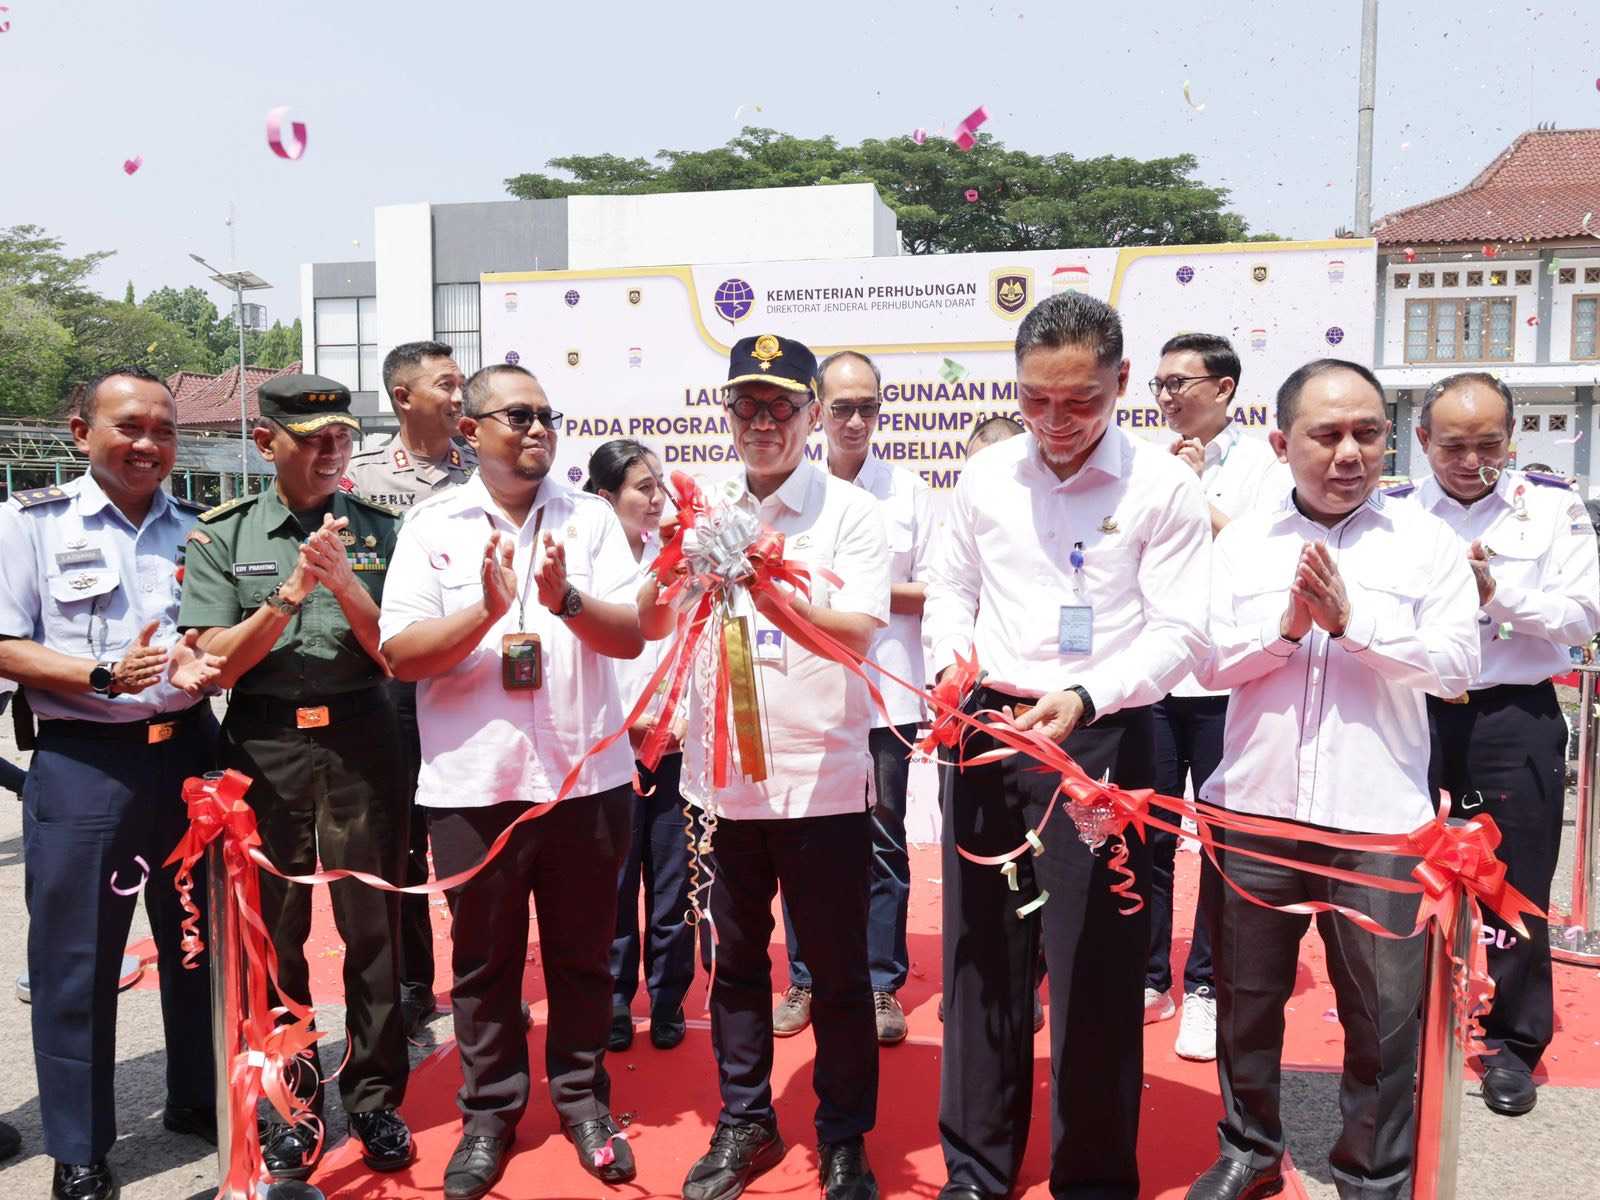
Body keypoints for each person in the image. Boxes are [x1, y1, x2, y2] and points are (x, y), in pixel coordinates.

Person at [923, 292, 1212, 1200]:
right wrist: (950, 670)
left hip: (1100, 749)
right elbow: (947, 591)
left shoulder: (1162, 485)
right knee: (983, 961)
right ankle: (977, 1165)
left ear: (1122, 383)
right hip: (986, 735)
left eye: (1080, 402)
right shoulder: (985, 477)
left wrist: (1087, 696)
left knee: (1091, 968)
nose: (1055, 423)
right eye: (1036, 400)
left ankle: (1090, 1175)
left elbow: (1182, 632)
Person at [1186, 359, 1479, 1200]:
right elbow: (1208, 662)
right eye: (1327, 434)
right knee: (1246, 999)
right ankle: (1248, 1147)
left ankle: (1373, 1172)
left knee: (1384, 1017)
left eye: (1368, 433)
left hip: (1379, 823)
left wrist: (1355, 626)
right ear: (1283, 443)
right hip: (1255, 815)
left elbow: (1458, 667)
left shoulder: (1427, 544)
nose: (1349, 452)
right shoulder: (1241, 540)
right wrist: (1285, 632)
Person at [379, 364, 645, 1200]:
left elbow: (632, 637)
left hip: (584, 778)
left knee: (580, 960)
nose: (536, 429)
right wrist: (487, 614)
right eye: (517, 415)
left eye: (546, 415)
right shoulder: (432, 525)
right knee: (484, 964)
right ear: (470, 430)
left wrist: (565, 602)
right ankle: (489, 1116)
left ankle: (583, 1103)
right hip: (472, 787)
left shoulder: (594, 522)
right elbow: (401, 653)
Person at [640, 333, 889, 1200]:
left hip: (821, 784)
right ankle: (745, 1117)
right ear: (727, 414)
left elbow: (859, 629)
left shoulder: (850, 514)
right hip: (718, 787)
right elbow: (652, 621)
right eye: (747, 405)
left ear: (813, 414)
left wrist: (768, 579)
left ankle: (845, 1134)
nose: (764, 422)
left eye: (782, 405)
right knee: (735, 964)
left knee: (838, 971)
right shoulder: (703, 508)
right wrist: (680, 553)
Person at [178, 374, 413, 1182]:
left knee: (372, 928)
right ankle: (293, 1105)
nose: (329, 451)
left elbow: (398, 653)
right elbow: (215, 662)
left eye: (341, 438)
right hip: (266, 741)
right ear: (265, 443)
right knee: (272, 932)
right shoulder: (222, 536)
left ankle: (378, 1099)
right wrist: (294, 590)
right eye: (312, 439)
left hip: (361, 736)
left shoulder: (384, 530)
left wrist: (347, 585)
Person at [0, 366, 224, 1200]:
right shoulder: (29, 525)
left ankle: (199, 1101)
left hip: (192, 754)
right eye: (130, 426)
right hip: (87, 762)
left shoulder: (199, 528)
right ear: (79, 432)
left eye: (164, 430)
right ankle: (82, 1147)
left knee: (200, 944)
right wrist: (99, 675)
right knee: (77, 960)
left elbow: (218, 633)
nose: (149, 445)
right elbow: (2, 640)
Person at [1404, 371, 1600, 1117]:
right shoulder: (1393, 513)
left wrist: (1499, 597)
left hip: (1512, 713)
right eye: (1453, 445)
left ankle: (1514, 1043)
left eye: (1490, 444)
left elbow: (1583, 616)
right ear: (1422, 440)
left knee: (1514, 884)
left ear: (1512, 439)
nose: (1471, 460)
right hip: (1414, 710)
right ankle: (1410, 1026)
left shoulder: (1549, 509)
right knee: (1406, 877)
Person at [771, 351, 933, 1047]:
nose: (856, 420)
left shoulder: (908, 491)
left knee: (884, 843)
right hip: (801, 698)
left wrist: (857, 595)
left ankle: (878, 983)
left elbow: (934, 589)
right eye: (841, 407)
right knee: (799, 840)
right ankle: (805, 975)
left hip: (885, 696)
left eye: (869, 406)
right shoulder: (787, 489)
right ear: (815, 410)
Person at [1144, 333, 1287, 1061]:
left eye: (1180, 382)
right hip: (1159, 679)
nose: (1167, 397)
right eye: (1159, 385)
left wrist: (1194, 495)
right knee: (1149, 834)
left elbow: (1260, 559)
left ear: (1224, 387)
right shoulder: (1147, 460)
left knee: (1224, 842)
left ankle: (1204, 986)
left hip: (1228, 678)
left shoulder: (1266, 464)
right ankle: (1149, 975)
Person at [344, 340, 476, 1037]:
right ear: (403, 396)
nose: (459, 398)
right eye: (446, 386)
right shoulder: (359, 477)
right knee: (399, 837)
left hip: (469, 680)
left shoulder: (484, 472)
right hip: (390, 681)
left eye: (461, 387)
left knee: (475, 828)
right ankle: (412, 981)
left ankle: (483, 972)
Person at [585, 439, 696, 1055]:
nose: (657, 499)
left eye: (659, 487)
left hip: (676, 747)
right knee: (614, 883)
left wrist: (680, 718)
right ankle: (615, 999)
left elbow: (696, 650)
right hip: (610, 752)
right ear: (606, 498)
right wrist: (622, 723)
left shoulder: (678, 562)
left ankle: (671, 995)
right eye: (642, 488)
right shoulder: (586, 569)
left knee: (674, 881)